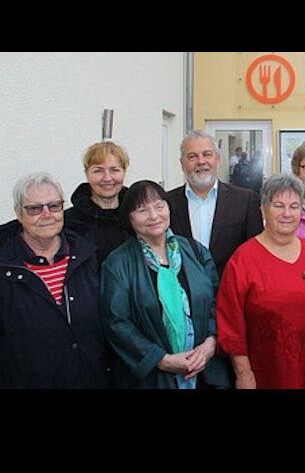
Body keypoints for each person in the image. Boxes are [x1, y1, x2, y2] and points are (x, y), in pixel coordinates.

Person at [216, 174, 305, 389]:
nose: (287, 214)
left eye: (294, 206)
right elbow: (231, 324)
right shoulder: (243, 259)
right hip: (266, 375)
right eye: (279, 206)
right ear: (263, 210)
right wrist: (243, 373)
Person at [100, 180, 230, 389]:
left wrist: (210, 344)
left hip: (205, 373)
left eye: (159, 206)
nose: (153, 216)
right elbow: (116, 322)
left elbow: (218, 301)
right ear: (129, 219)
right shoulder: (117, 264)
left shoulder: (196, 251)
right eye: (142, 210)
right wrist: (160, 359)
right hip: (152, 379)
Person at [0, 172, 107, 388]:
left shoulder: (89, 255)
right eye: (35, 208)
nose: (47, 214)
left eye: (54, 206)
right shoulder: (5, 266)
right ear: (19, 214)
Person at [167, 131, 263, 278]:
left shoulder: (245, 200)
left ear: (217, 159)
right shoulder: (168, 203)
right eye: (192, 156)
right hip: (183, 294)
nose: (201, 161)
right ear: (182, 163)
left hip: (231, 290)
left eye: (207, 154)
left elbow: (255, 252)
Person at [64, 141, 132, 264]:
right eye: (98, 171)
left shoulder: (135, 217)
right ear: (86, 173)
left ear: (124, 171)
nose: (107, 178)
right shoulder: (69, 222)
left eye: (114, 170)